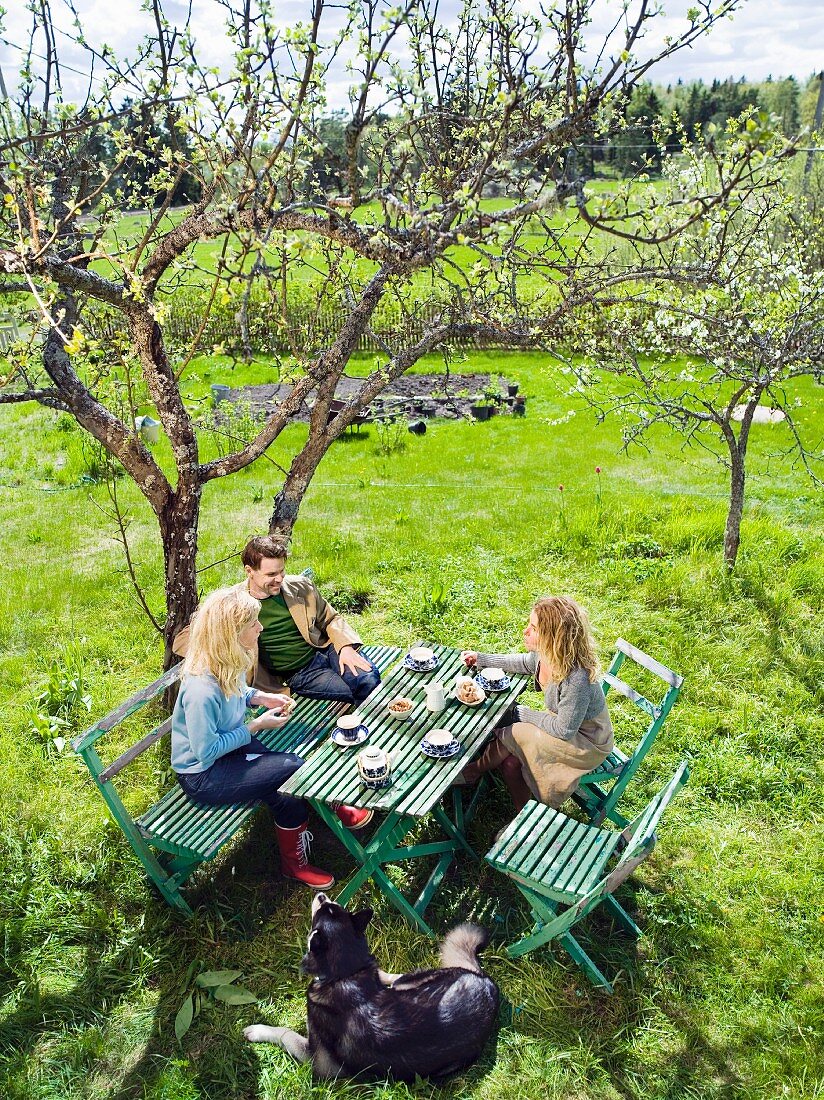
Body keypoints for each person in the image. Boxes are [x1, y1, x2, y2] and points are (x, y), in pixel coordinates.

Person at [171, 586, 371, 892]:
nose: (260, 628)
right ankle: (302, 854)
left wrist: (260, 697)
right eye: (253, 624)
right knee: (292, 766)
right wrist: (255, 727)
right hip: (204, 775)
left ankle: (302, 849)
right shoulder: (201, 689)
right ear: (232, 632)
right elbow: (206, 751)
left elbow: (238, 692)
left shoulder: (227, 658)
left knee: (281, 779)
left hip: (229, 747)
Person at [174, 535, 381, 705]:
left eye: (282, 571)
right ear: (249, 571)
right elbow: (182, 640)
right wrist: (226, 643)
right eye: (271, 574)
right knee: (356, 691)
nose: (280, 579)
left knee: (368, 679)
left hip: (327, 648)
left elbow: (331, 618)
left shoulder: (300, 586)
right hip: (300, 673)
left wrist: (345, 647)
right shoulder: (233, 605)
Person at [459, 596, 613, 812]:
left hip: (586, 743)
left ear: (552, 637)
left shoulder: (577, 678)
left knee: (515, 730)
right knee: (510, 762)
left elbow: (563, 729)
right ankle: (523, 816)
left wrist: (523, 714)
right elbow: (524, 663)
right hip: (565, 728)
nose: (525, 631)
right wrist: (482, 659)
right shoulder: (548, 655)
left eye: (533, 628)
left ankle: (475, 770)